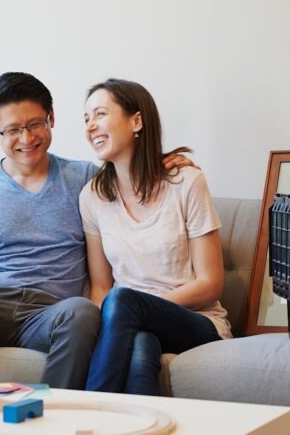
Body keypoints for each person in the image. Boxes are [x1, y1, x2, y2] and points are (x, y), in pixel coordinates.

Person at [0, 72, 190, 390]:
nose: (27, 138)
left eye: (35, 124)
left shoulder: (87, 180)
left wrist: (162, 164)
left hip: (50, 313)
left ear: (52, 119)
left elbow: (133, 176)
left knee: (82, 312)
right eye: (13, 130)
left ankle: (53, 416)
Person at [80, 78, 231, 396]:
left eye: (100, 114)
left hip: (197, 321)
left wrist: (140, 308)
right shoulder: (92, 197)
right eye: (86, 118)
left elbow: (211, 283)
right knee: (140, 344)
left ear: (136, 120)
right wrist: (131, 317)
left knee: (123, 301)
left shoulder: (186, 182)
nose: (91, 125)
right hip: (132, 324)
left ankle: (90, 407)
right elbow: (101, 288)